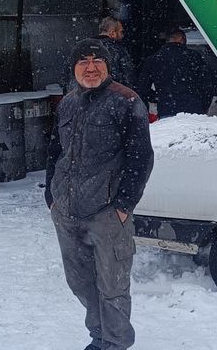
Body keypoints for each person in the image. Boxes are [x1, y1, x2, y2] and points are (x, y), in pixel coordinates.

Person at [45, 38, 154, 350]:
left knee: (112, 285)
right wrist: (51, 198)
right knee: (79, 282)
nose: (90, 67)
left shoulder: (127, 101)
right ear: (74, 68)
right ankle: (99, 337)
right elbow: (55, 151)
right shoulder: (67, 103)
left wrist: (124, 205)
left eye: (97, 61)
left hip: (107, 214)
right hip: (66, 212)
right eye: (83, 62)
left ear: (108, 66)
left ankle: (116, 343)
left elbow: (141, 157)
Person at [136, 28, 213, 118]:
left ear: (168, 40)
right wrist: (204, 105)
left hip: (167, 110)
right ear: (182, 39)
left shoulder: (153, 59)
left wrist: (158, 97)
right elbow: (206, 85)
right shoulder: (195, 57)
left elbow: (142, 89)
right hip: (193, 110)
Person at [94, 16, 136, 89]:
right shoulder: (118, 50)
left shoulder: (84, 47)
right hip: (114, 95)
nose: (122, 36)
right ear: (112, 33)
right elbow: (129, 77)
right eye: (121, 32)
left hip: (89, 95)